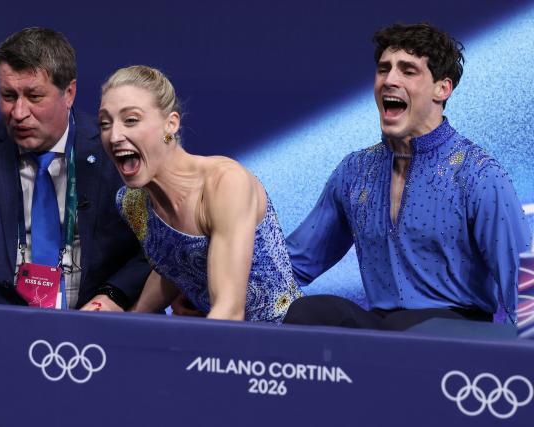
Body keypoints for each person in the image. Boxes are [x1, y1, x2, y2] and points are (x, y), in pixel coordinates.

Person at [284, 23, 532, 330]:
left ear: (442, 88)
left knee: (404, 326)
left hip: (458, 337)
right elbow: (293, 263)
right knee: (312, 312)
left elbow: (525, 287)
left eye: (408, 70)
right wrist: (214, 290)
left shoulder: (479, 174)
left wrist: (516, 367)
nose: (389, 79)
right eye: (383, 69)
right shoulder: (354, 171)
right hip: (385, 331)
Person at [0, 28, 149, 311]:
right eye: (8, 96)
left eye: (34, 96)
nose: (19, 112)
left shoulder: (114, 150)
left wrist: (113, 295)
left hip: (91, 326)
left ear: (69, 93)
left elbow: (150, 249)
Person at [98, 65, 302, 322]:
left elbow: (228, 311)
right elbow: (176, 264)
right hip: (213, 338)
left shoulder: (225, 184)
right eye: (105, 123)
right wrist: (129, 323)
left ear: (170, 124)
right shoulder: (131, 202)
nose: (114, 135)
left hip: (284, 348)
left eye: (131, 120)